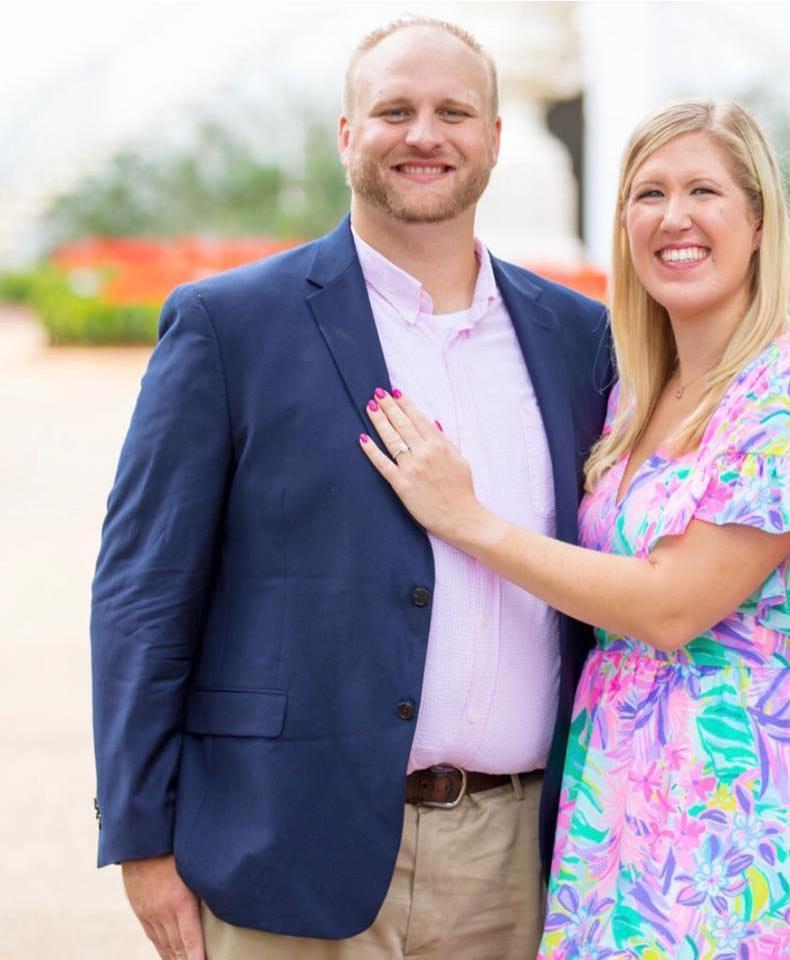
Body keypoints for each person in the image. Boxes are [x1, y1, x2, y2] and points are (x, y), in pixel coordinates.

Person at [90, 16, 611, 960]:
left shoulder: (580, 339)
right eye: (394, 110)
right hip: (284, 846)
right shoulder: (227, 327)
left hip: (523, 861)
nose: (425, 134)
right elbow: (142, 597)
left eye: (454, 111)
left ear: (494, 136)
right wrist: (141, 839)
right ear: (345, 133)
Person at [360, 99, 790, 958]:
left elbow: (672, 606)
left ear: (758, 219)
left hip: (739, 798)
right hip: (620, 788)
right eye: (648, 194)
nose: (672, 218)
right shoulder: (642, 390)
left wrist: (468, 522)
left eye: (703, 191)